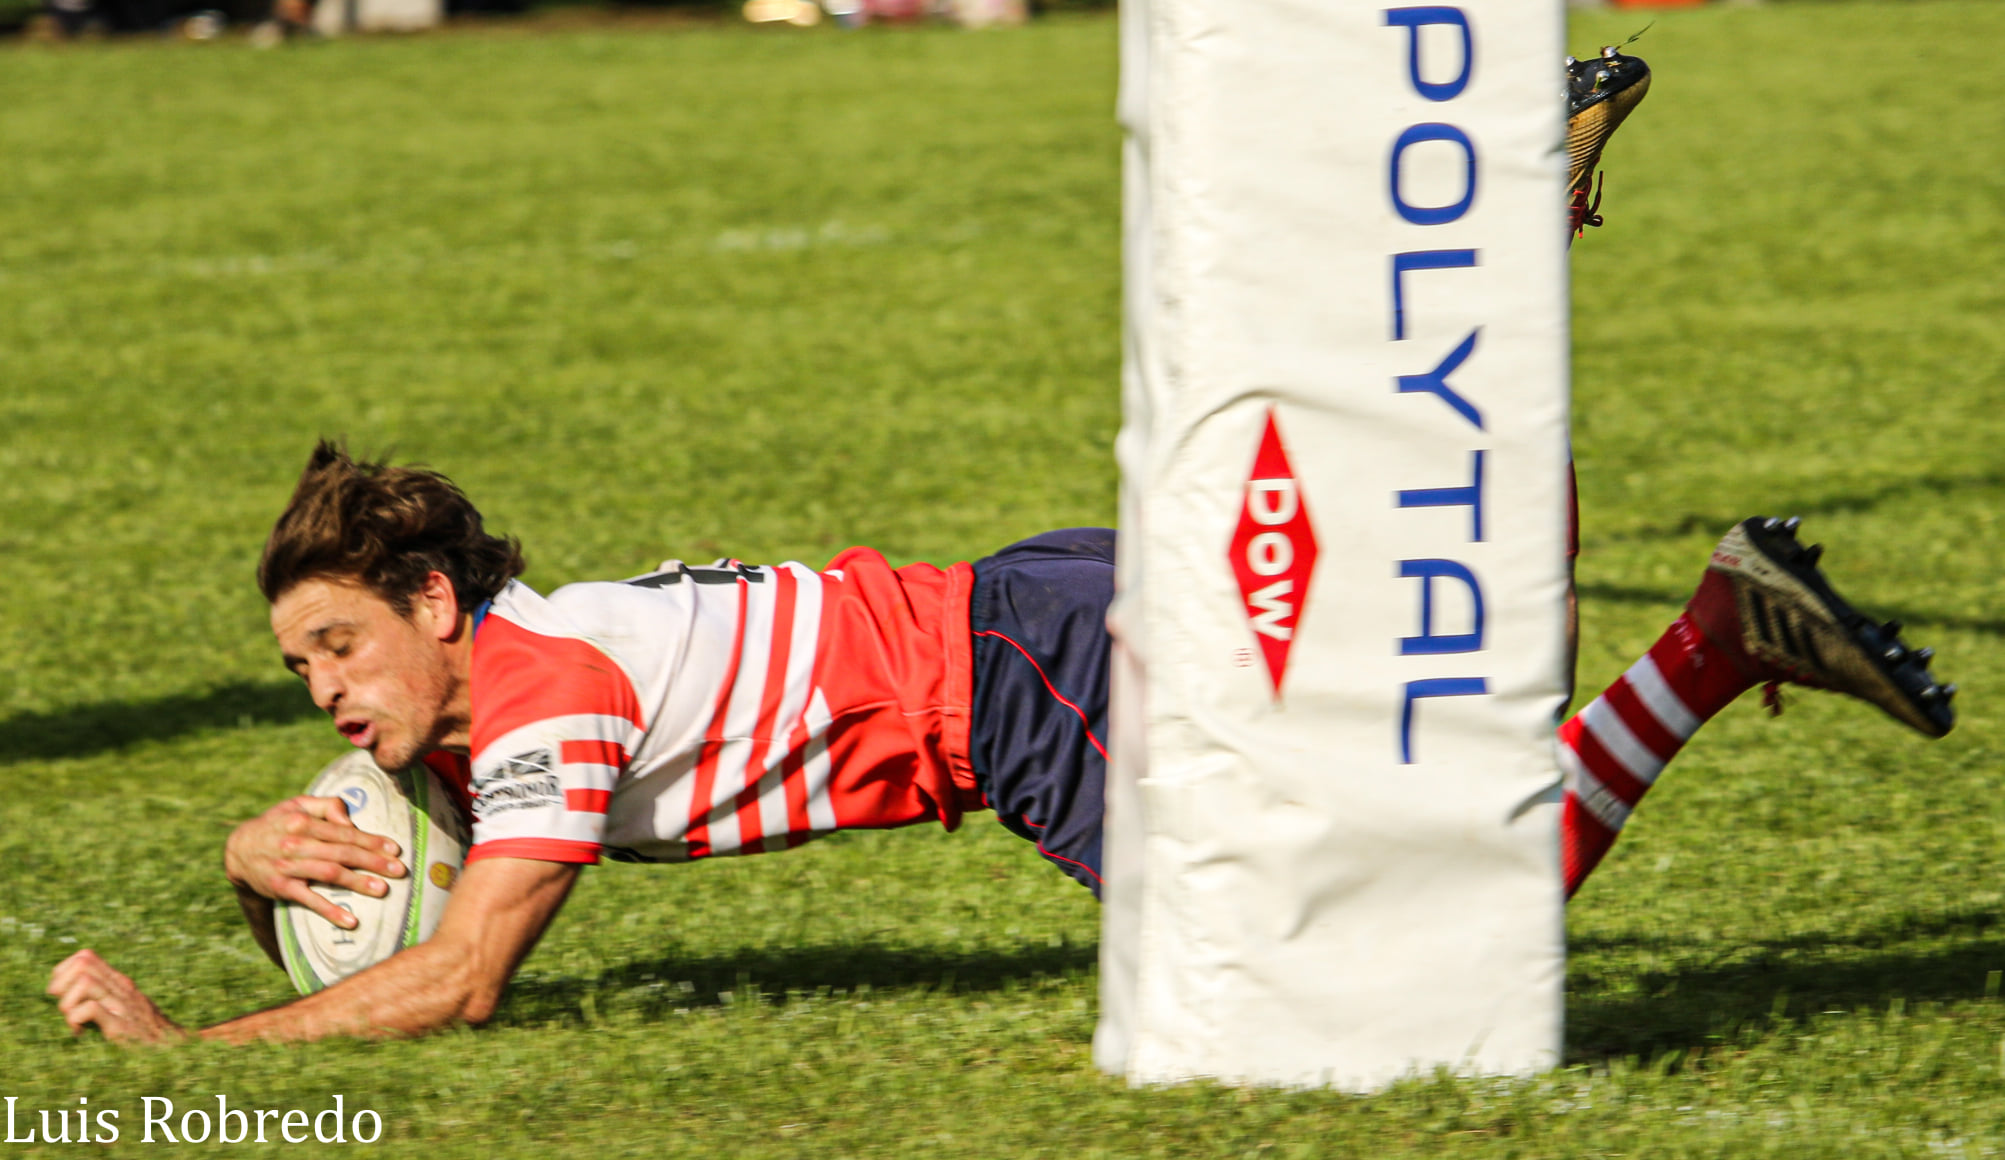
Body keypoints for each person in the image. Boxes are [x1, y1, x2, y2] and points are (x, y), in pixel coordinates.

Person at [47, 443, 1953, 1044]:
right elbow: (389, 842)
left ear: (432, 605)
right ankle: (1705, 621)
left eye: (337, 649)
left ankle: (1712, 641)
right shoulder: (497, 682)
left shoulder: (544, 699)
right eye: (300, 672)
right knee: (1424, 711)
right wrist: (241, 857)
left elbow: (466, 974)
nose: (326, 698)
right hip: (1022, 609)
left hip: (1020, 692)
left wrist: (190, 1062)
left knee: (1400, 972)